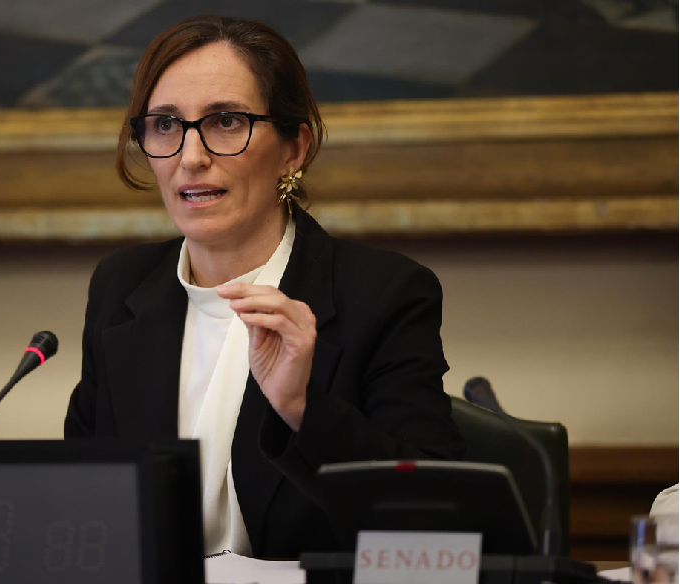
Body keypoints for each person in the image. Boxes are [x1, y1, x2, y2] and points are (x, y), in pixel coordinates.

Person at [64, 15, 465, 559]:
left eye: (226, 121)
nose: (191, 157)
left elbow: (434, 522)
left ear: (294, 148)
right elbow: (85, 499)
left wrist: (303, 408)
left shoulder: (383, 294)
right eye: (165, 124)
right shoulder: (121, 289)